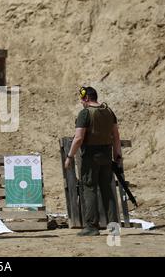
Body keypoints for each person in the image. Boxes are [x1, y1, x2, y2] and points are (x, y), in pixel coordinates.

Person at [65, 86, 122, 236]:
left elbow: (78, 138)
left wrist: (70, 156)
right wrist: (117, 156)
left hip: (91, 156)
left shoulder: (85, 113)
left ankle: (91, 226)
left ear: (86, 98)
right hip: (106, 155)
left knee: (89, 189)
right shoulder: (109, 111)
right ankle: (114, 228)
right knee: (107, 191)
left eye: (82, 99)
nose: (81, 102)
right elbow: (116, 136)